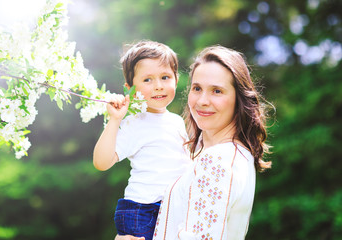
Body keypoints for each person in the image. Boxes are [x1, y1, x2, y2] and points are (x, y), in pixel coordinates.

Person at [116, 45, 272, 240]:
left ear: (238, 99)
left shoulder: (217, 161)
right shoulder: (224, 154)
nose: (203, 100)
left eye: (217, 91)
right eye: (197, 88)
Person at [93, 40, 191, 240]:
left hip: (172, 209)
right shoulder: (134, 123)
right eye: (147, 80)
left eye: (165, 77)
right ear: (130, 88)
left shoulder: (177, 121)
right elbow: (102, 162)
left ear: (176, 78)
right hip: (143, 210)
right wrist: (114, 120)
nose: (158, 86)